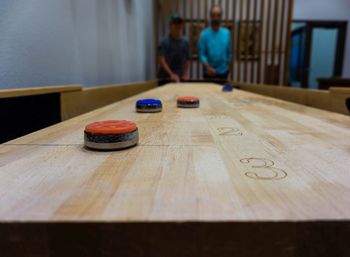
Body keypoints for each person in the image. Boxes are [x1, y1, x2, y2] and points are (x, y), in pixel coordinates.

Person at [198, 5, 232, 83]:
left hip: (223, 73)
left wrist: (227, 68)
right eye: (214, 15)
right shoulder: (204, 34)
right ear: (210, 16)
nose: (216, 17)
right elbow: (202, 54)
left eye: (218, 15)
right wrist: (208, 68)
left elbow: (229, 53)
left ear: (221, 16)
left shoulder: (226, 33)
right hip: (208, 73)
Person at [158, 14, 191, 85]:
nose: (178, 25)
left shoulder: (185, 42)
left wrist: (185, 73)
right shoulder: (164, 41)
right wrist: (171, 74)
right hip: (165, 78)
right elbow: (161, 60)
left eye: (179, 23)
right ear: (170, 25)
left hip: (180, 78)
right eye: (175, 23)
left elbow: (187, 59)